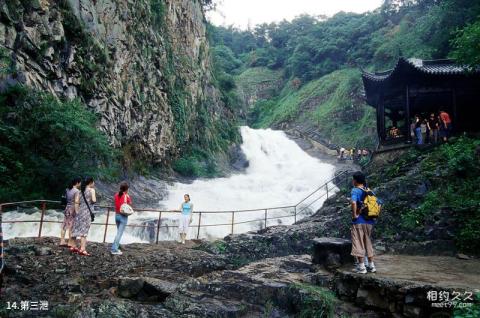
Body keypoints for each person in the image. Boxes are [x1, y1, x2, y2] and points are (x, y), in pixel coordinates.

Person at [350, 171, 376, 274]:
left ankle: (361, 267)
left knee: (358, 242)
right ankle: (371, 265)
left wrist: (355, 215)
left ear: (355, 180)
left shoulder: (355, 190)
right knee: (367, 242)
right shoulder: (369, 190)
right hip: (369, 221)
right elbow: (379, 203)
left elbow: (353, 202)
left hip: (359, 221)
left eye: (353, 179)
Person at [71, 177, 96, 256]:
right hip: (87, 213)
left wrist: (77, 211)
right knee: (84, 231)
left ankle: (73, 246)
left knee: (76, 228)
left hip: (80, 212)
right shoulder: (92, 190)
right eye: (93, 182)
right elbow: (94, 200)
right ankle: (82, 249)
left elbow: (77, 202)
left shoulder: (80, 191)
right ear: (91, 182)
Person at [111, 181, 132, 255]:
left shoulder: (116, 194)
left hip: (116, 215)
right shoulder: (126, 196)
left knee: (118, 233)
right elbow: (129, 204)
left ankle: (117, 246)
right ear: (126, 189)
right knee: (119, 233)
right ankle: (114, 249)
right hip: (123, 216)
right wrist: (127, 196)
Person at [60, 177, 81, 247]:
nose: (80, 184)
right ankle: (69, 242)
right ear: (77, 183)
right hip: (72, 209)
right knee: (71, 226)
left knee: (64, 225)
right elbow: (76, 202)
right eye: (80, 182)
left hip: (67, 208)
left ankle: (62, 241)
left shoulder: (67, 189)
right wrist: (77, 211)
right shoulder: (77, 191)